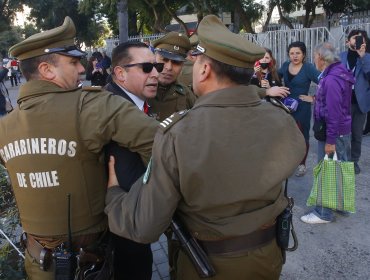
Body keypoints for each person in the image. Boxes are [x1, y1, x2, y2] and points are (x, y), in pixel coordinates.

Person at [105, 15, 306, 280]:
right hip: (269, 257)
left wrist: (114, 195)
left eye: (194, 61)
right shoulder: (282, 119)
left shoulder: (178, 133)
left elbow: (144, 226)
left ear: (204, 70)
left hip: (208, 265)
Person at [0, 17, 158, 280]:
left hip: (39, 265)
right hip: (94, 264)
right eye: (73, 63)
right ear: (47, 70)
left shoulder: (6, 127)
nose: (81, 69)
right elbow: (166, 147)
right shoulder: (94, 106)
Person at [104, 41, 163, 280]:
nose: (156, 74)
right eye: (147, 67)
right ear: (120, 73)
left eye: (156, 67)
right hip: (124, 222)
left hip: (132, 218)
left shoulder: (131, 103)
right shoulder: (112, 108)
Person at [300, 42, 354, 224]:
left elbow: (333, 112)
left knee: (326, 170)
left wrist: (330, 140)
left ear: (322, 58)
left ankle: (323, 212)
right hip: (342, 131)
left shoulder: (331, 79)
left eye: (315, 55)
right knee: (340, 168)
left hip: (334, 133)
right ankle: (341, 205)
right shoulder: (339, 72)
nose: (314, 58)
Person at [278, 41, 321, 177]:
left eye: (298, 53)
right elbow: (275, 79)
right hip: (286, 106)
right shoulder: (285, 65)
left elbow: (326, 82)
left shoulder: (308, 68)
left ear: (304, 55)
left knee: (302, 136)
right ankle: (289, 162)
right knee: (287, 136)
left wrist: (314, 98)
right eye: (292, 53)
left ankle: (302, 164)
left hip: (302, 107)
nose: (295, 56)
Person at [339, 29, 370, 174]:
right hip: (342, 103)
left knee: (357, 135)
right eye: (355, 38)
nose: (358, 41)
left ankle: (354, 161)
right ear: (348, 41)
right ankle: (344, 160)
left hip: (360, 104)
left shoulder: (367, 58)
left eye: (361, 39)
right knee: (344, 134)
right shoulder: (340, 57)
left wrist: (363, 57)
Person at [149, 31, 197, 121]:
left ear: (182, 65)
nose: (169, 67)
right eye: (164, 59)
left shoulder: (187, 95)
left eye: (176, 62)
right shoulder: (139, 90)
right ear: (154, 58)